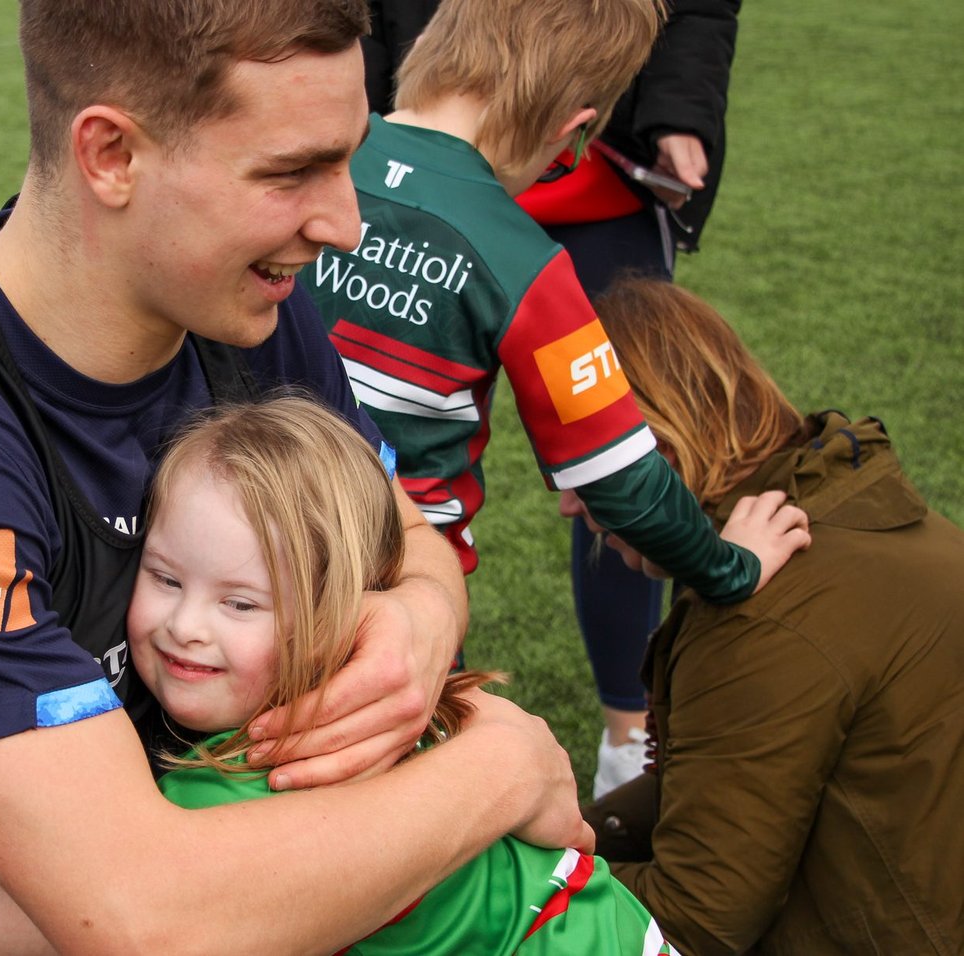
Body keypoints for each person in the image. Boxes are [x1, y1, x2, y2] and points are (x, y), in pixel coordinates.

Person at [0, 2, 596, 952]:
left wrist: (419, 622)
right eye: (290, 172)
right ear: (111, 154)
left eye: (347, 158)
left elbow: (404, 538)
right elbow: (146, 923)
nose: (346, 225)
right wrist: (501, 774)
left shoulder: (241, 313)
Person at [0, 396, 687, 954]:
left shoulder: (238, 791)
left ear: (338, 609)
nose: (184, 626)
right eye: (164, 578)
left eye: (242, 604)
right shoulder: (417, 700)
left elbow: (36, 929)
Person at [300, 0, 803, 661]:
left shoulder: (303, 159)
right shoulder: (526, 264)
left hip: (235, 551)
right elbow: (622, 480)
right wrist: (733, 567)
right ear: (574, 127)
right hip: (398, 597)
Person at [563, 277, 964, 954]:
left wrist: (515, 884)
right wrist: (571, 830)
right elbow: (722, 772)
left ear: (657, 453)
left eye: (579, 468)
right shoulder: (846, 503)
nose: (571, 504)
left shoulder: (761, 617)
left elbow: (693, 925)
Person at [514, 0, 742, 798]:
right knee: (394, 447)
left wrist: (680, 106)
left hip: (603, 188)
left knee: (617, 459)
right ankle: (395, 722)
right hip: (438, 158)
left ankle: (625, 742)